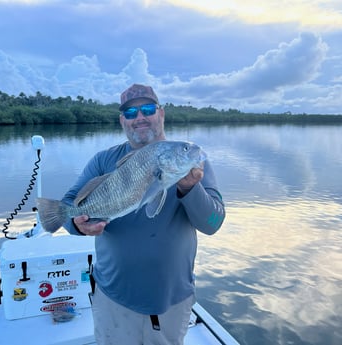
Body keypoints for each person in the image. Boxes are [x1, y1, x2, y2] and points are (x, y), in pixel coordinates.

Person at [61, 84, 225, 345]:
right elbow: (67, 206)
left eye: (147, 109)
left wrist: (190, 188)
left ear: (161, 113)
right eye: (130, 112)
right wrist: (77, 225)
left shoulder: (195, 164)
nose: (139, 117)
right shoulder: (103, 160)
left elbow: (213, 223)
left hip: (172, 300)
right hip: (113, 296)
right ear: (122, 120)